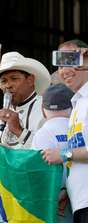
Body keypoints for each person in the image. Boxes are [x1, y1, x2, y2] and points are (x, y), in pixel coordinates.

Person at [42, 39, 88, 223]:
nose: (64, 70)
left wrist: (63, 153)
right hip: (79, 202)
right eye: (60, 65)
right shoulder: (78, 103)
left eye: (71, 61)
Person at [0, 44, 51, 149]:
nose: (8, 85)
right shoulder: (5, 114)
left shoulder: (45, 108)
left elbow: (50, 152)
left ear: (30, 80)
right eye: (4, 81)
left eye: (14, 78)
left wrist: (18, 131)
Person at [31, 84, 74, 222]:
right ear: (73, 107)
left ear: (43, 111)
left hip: (55, 201)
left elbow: (38, 173)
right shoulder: (79, 130)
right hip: (80, 197)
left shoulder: (42, 134)